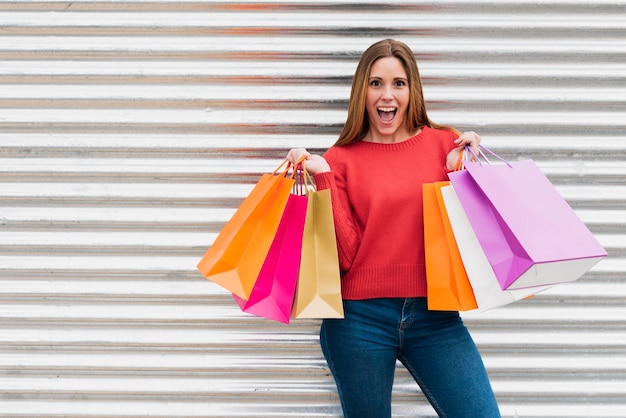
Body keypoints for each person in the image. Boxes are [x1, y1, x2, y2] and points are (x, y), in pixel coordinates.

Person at [286, 39, 501, 418]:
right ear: (362, 92)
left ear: (412, 89)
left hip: (436, 318)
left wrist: (465, 172)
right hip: (359, 322)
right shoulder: (341, 160)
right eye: (376, 83)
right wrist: (322, 178)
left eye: (398, 83)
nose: (387, 95)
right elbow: (347, 255)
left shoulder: (443, 146)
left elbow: (472, 239)